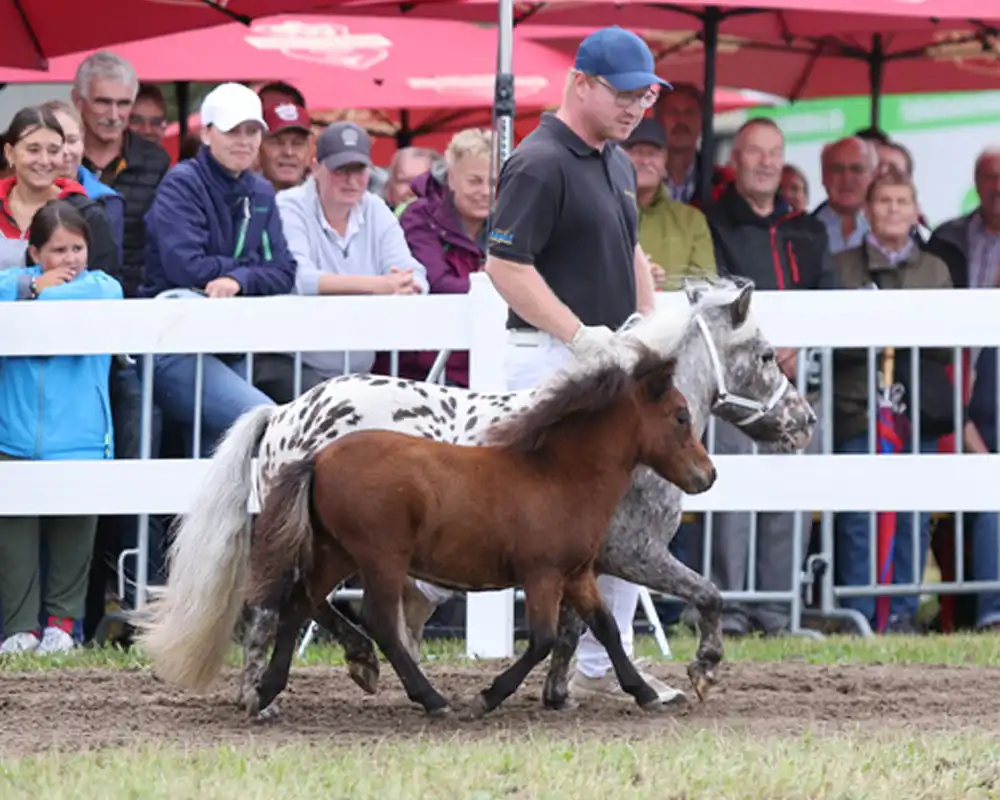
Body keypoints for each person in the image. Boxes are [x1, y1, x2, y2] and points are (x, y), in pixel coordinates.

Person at [482, 27, 680, 704]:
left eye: (645, 95)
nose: (636, 108)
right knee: (530, 516)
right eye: (625, 94)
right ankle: (420, 590)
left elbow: (629, 251)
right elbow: (504, 266)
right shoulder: (539, 163)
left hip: (602, 363)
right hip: (547, 358)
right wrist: (578, 334)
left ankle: (599, 665)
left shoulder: (615, 161)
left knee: (622, 510)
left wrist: (646, 328)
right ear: (582, 84)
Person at [141, 82, 296, 455]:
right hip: (173, 345)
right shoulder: (182, 183)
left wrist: (237, 277)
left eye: (252, 130)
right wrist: (247, 270)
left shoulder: (260, 191)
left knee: (225, 460)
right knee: (263, 421)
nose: (244, 140)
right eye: (232, 130)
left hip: (231, 343)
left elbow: (284, 271)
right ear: (206, 133)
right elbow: (186, 267)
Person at [832, 166, 953, 633]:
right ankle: (862, 610)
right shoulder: (841, 265)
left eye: (902, 202)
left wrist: (899, 330)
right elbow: (831, 337)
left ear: (915, 209)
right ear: (868, 210)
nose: (894, 210)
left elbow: (947, 341)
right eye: (884, 202)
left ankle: (901, 608)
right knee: (859, 513)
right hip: (857, 406)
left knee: (912, 514)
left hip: (914, 412)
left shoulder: (935, 269)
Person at [0, 200, 123, 654]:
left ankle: (62, 626)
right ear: (33, 253)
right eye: (57, 251)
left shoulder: (99, 287)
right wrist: (27, 285)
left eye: (78, 248)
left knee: (75, 541)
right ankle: (19, 629)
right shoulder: (16, 284)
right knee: (14, 541)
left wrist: (31, 292)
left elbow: (105, 295)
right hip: (13, 435)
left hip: (81, 438)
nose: (71, 260)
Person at [264, 122, 426, 402]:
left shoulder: (374, 206)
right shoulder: (288, 205)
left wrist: (404, 285)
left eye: (359, 170)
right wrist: (382, 286)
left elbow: (415, 274)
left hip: (357, 372)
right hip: (292, 364)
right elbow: (298, 277)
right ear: (315, 168)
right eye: (341, 170)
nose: (352, 181)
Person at [394, 128, 492, 386]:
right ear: (451, 178)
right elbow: (437, 282)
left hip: (490, 362)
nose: (485, 191)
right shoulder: (419, 217)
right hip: (425, 373)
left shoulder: (509, 220)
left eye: (494, 182)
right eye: (474, 181)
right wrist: (498, 286)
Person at [0, 105, 120, 278]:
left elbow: (107, 287)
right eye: (33, 150)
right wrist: (30, 286)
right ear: (10, 153)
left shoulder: (88, 214)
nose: (44, 160)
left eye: (53, 151)